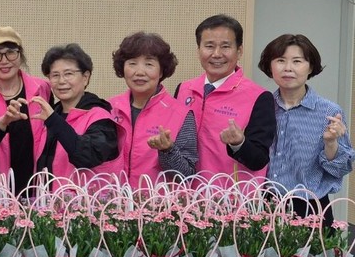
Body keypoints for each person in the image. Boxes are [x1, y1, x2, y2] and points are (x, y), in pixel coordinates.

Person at [257, 33, 354, 257]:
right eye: (281, 60)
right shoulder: (260, 105)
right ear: (269, 66)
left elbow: (341, 167)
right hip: (265, 207)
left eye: (297, 60)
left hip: (312, 208)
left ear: (310, 66)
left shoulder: (328, 110)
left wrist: (331, 143)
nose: (288, 68)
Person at [175, 14, 275, 182]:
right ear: (198, 50)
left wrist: (239, 143)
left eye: (225, 46)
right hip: (185, 199)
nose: (216, 54)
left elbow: (260, 159)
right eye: (209, 46)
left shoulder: (259, 97)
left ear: (239, 50)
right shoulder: (184, 89)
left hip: (231, 202)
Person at [108, 32, 197, 187]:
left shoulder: (181, 114)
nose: (140, 72)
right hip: (112, 206)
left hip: (159, 208)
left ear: (161, 71)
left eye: (149, 64)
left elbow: (186, 176)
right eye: (132, 63)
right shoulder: (108, 109)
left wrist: (168, 151)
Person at [0, 26, 52, 193]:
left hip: (38, 188)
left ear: (20, 56)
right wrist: (2, 124)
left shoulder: (42, 88)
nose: (4, 60)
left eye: (11, 52)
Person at [31, 43, 119, 183]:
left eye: (68, 74)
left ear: (85, 77)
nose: (61, 81)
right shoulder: (51, 115)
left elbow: (88, 156)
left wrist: (54, 121)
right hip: (46, 201)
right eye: (55, 75)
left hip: (83, 203)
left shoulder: (100, 117)